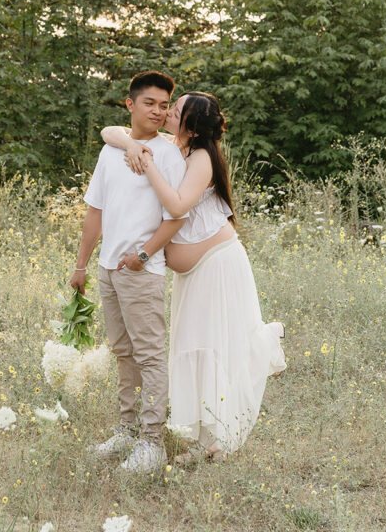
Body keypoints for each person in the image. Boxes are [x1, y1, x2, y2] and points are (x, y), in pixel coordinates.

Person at [102, 90, 286, 459]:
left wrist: (147, 164)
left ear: (192, 123)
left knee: (214, 346)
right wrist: (131, 144)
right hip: (194, 272)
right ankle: (201, 440)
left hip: (217, 264)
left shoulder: (201, 157)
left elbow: (177, 205)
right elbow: (109, 131)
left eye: (177, 108)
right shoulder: (174, 145)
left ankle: (217, 440)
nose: (168, 111)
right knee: (190, 346)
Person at [70, 71, 187, 475]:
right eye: (149, 103)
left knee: (151, 355)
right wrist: (82, 264)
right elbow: (95, 211)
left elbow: (177, 215)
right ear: (130, 104)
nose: (157, 111)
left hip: (142, 270)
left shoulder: (170, 155)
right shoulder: (111, 150)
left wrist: (142, 254)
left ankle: (152, 443)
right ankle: (127, 429)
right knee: (123, 352)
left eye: (163, 105)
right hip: (107, 269)